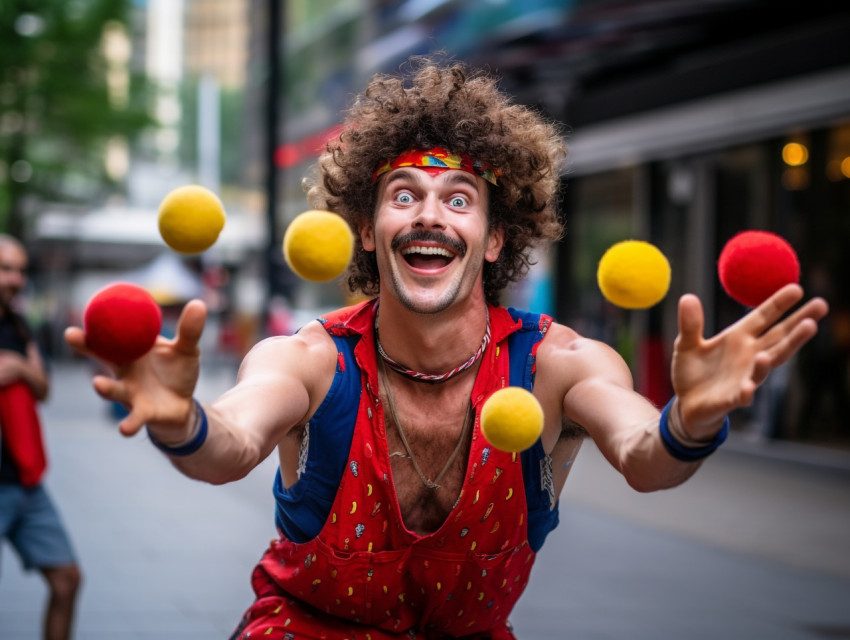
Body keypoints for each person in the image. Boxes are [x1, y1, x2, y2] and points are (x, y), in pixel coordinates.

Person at [64, 58, 828, 639]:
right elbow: (229, 444)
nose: (430, 216)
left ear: (495, 239)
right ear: (367, 230)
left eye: (459, 200)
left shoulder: (559, 362)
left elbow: (641, 453)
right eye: (404, 196)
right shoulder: (311, 358)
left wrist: (690, 419)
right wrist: (180, 422)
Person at [0, 234, 82, 640]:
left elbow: (43, 387)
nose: (14, 278)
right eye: (5, 268)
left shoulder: (17, 326)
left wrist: (16, 365)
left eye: (19, 269)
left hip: (26, 482)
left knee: (67, 579)